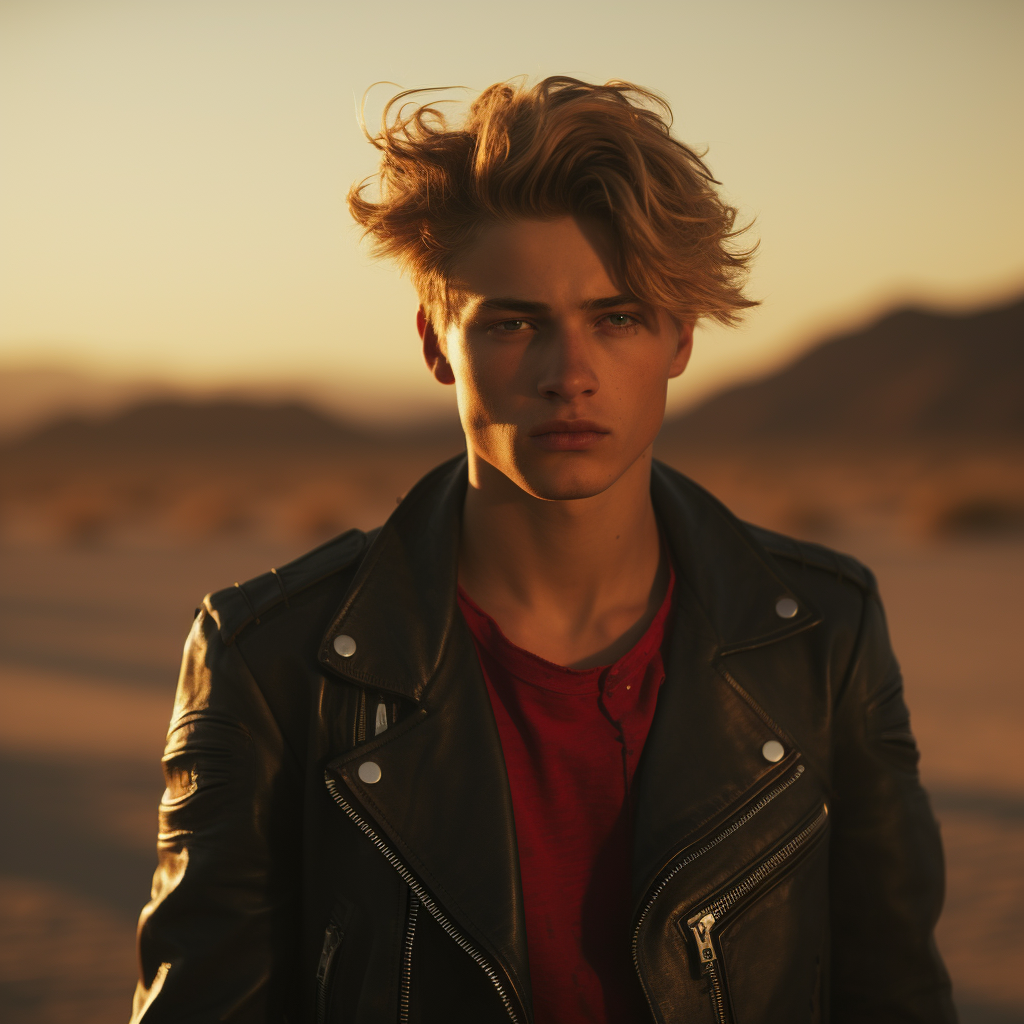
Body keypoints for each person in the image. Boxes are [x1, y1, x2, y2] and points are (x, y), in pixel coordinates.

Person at [130, 78, 956, 1023]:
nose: (571, 376)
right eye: (514, 322)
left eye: (618, 318)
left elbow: (895, 992)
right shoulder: (271, 658)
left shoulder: (822, 635)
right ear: (438, 344)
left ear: (681, 337)